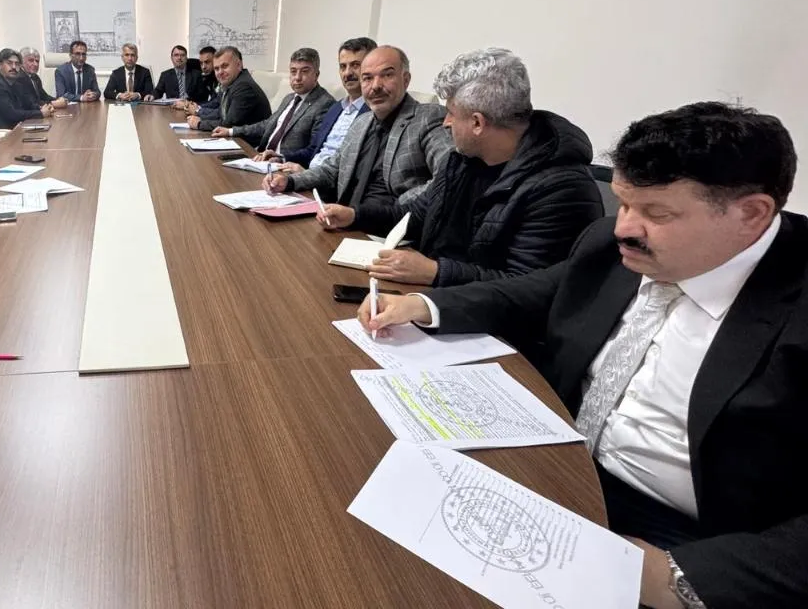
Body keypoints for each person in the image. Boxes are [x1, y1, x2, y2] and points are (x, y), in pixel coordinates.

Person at [359, 102, 807, 608]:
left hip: (694, 539)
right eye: (624, 204)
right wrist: (425, 305)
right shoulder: (610, 244)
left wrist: (681, 578)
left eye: (657, 214)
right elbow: (537, 292)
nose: (623, 228)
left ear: (750, 214)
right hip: (556, 460)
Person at [358, 48, 602, 286]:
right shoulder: (461, 161)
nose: (446, 123)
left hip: (472, 309)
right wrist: (354, 215)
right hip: (432, 297)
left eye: (451, 113)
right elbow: (411, 217)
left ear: (477, 123)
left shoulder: (561, 189)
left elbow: (526, 287)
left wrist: (436, 272)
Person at [264, 46, 450, 231]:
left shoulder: (428, 117)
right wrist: (290, 182)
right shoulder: (361, 122)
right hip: (341, 221)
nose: (375, 86)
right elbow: (331, 169)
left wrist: (390, 212)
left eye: (387, 75)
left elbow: (448, 176)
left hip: (389, 232)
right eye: (367, 78)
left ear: (406, 79)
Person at [276, 37, 376, 171]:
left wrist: (306, 174)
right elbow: (313, 150)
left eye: (355, 65)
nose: (347, 73)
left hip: (323, 181)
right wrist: (282, 158)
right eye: (343, 66)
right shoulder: (337, 108)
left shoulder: (375, 113)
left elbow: (355, 168)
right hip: (307, 176)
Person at [212, 47, 333, 157]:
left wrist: (281, 158)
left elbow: (315, 149)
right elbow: (267, 124)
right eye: (293, 71)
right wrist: (231, 131)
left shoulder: (325, 104)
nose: (297, 77)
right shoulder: (290, 98)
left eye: (304, 71)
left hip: (284, 165)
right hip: (261, 155)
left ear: (316, 75)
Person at [187, 46, 271, 132]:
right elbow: (221, 114)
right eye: (216, 68)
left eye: (225, 66)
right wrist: (199, 116)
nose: (220, 72)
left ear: (239, 65)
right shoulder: (230, 83)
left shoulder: (243, 86)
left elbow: (229, 124)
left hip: (247, 140)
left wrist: (199, 124)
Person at [0, 48, 53, 130]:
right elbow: (12, 114)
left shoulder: (15, 83)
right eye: (9, 63)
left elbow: (28, 104)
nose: (14, 67)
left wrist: (44, 108)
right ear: (0, 65)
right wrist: (40, 113)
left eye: (17, 64)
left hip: (20, 127)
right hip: (6, 132)